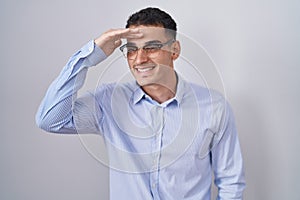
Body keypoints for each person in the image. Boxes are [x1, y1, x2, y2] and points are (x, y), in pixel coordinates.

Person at [36, 7, 245, 200]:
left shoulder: (214, 107)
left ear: (175, 50)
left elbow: (231, 183)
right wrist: (89, 56)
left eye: (151, 47)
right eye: (131, 49)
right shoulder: (109, 102)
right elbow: (50, 120)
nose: (139, 59)